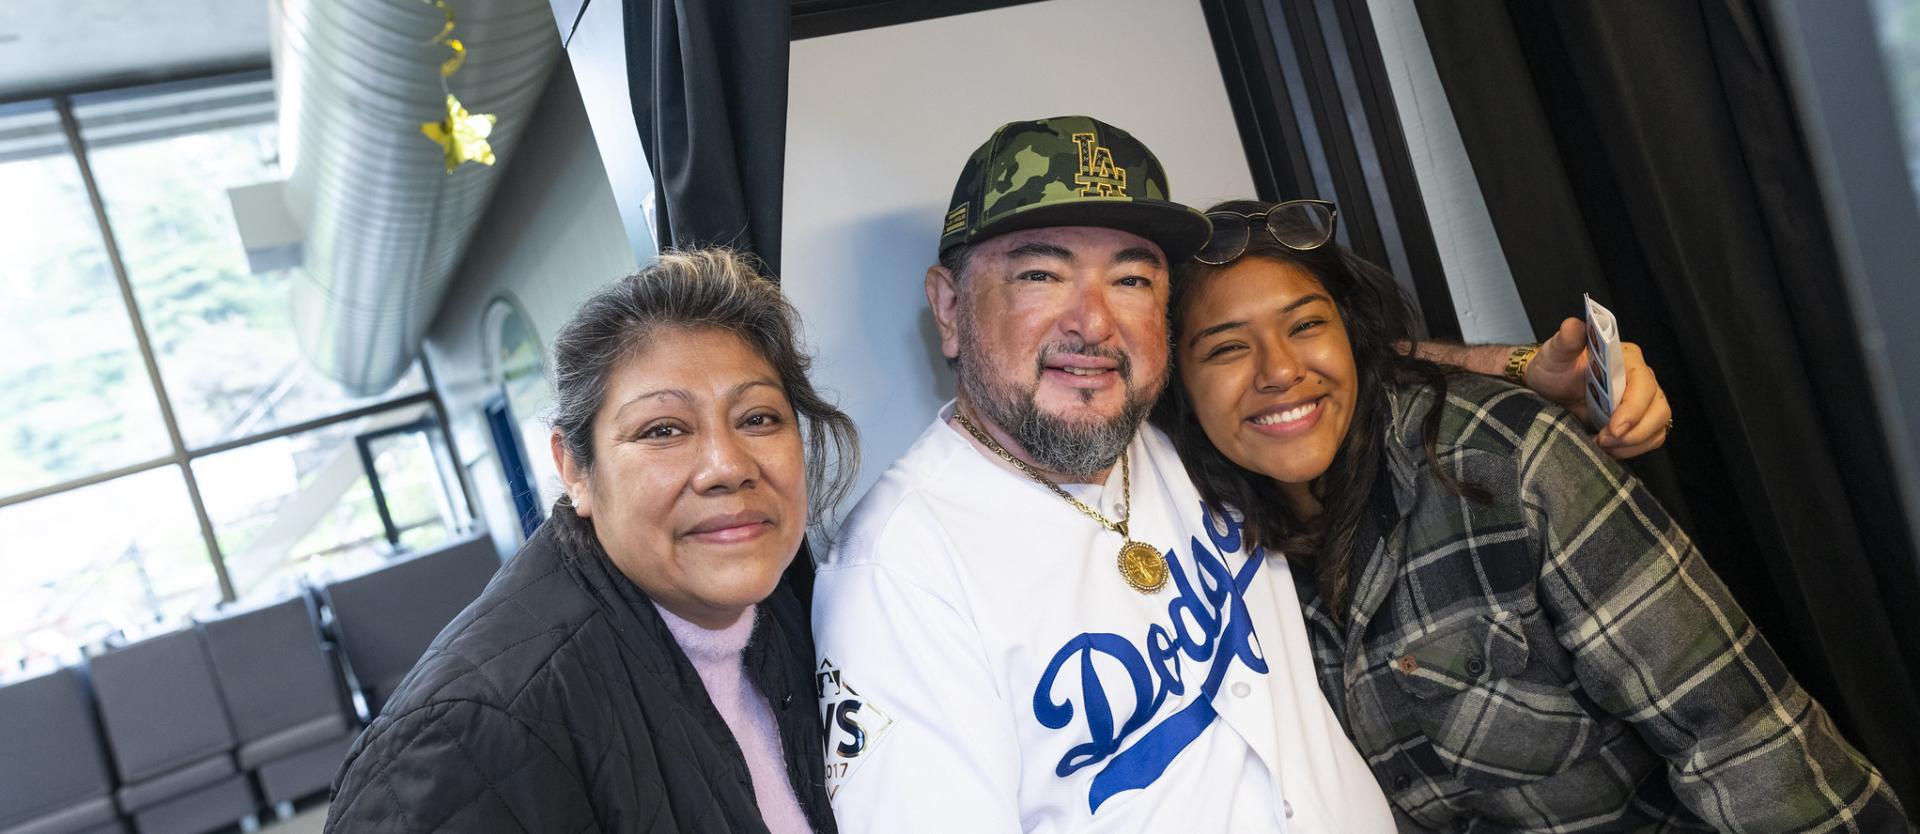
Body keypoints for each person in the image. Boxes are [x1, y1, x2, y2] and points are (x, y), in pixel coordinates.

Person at [810, 116, 1670, 832]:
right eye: (1041, 273)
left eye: (1133, 277)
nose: (1094, 322)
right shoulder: (897, 574)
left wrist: (1524, 366)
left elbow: (1311, 363)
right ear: (951, 307)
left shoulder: (1170, 422)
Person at [1156, 198, 1910, 831]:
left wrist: (1520, 370)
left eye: (1306, 325)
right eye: (1226, 349)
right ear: (1176, 385)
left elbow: (1742, 737)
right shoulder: (1197, 544)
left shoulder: (1504, 460)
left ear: (1349, 335)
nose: (1280, 369)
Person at [326, 249, 856, 833]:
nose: (727, 466)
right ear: (575, 469)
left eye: (757, 418)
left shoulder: (789, 613)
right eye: (663, 430)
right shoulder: (472, 733)